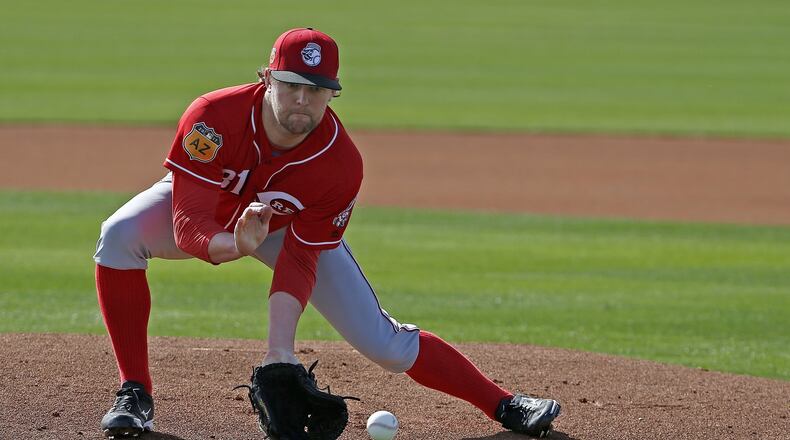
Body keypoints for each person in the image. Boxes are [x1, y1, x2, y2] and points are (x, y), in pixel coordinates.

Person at [94, 27, 561, 439]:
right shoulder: (213, 117)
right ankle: (134, 392)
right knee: (118, 236)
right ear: (267, 80)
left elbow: (300, 259)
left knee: (384, 342)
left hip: (286, 232)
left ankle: (504, 404)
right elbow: (189, 222)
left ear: (332, 95)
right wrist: (233, 244)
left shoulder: (339, 166)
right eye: (292, 85)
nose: (302, 99)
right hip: (213, 215)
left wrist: (280, 353)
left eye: (317, 90)